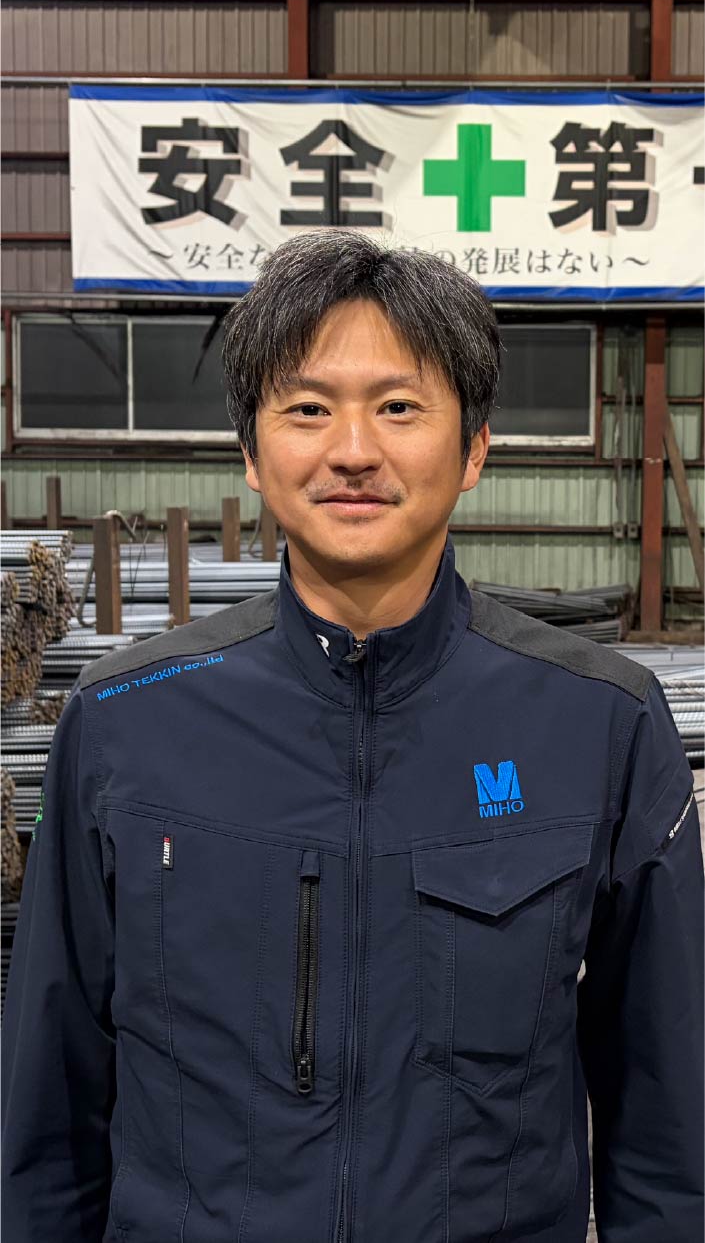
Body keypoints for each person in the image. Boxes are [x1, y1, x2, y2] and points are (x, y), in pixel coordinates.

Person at [2, 231, 702, 1243]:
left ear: (474, 449)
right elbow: (50, 1107)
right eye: (308, 408)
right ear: (252, 453)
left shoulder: (601, 722)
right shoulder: (125, 722)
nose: (354, 450)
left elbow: (668, 1122)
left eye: (399, 406)